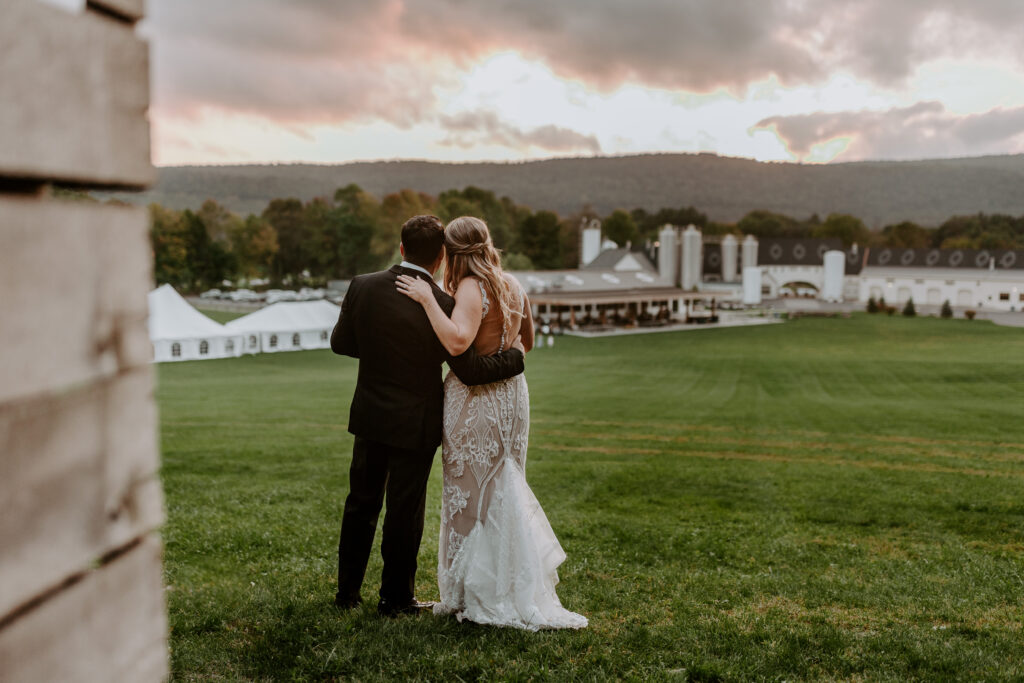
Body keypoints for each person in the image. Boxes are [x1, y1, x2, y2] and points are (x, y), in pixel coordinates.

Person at [396, 216, 587, 631]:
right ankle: (512, 583)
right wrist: (505, 344)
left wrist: (428, 300)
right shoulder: (511, 283)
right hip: (512, 396)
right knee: (504, 483)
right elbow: (528, 342)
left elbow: (458, 341)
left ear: (452, 252)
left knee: (471, 491)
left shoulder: (469, 287)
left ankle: (476, 592)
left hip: (475, 400)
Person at [331, 215, 526, 617]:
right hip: (415, 422)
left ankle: (346, 595)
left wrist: (379, 354)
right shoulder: (444, 303)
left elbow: (340, 343)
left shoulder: (362, 286)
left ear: (401, 248)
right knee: (404, 512)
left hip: (370, 415)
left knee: (360, 505)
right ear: (441, 257)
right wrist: (515, 359)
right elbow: (470, 368)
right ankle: (395, 600)